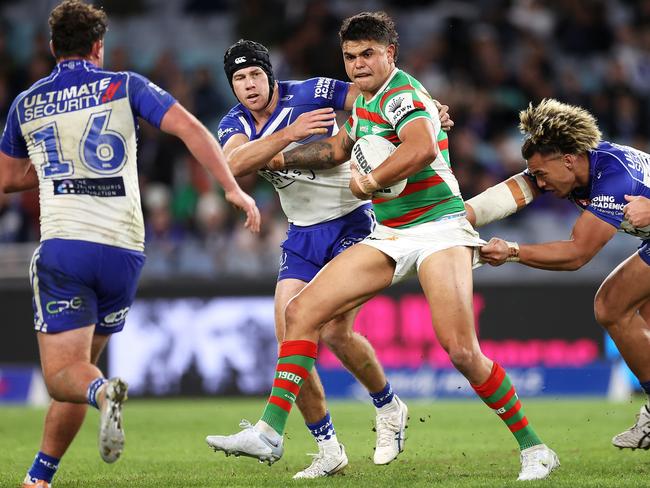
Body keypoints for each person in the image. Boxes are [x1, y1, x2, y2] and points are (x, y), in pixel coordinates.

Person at [205, 12, 558, 481]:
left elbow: (422, 149)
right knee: (301, 313)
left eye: (367, 54)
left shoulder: (401, 94)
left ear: (389, 53)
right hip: (388, 235)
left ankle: (535, 448)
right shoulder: (367, 103)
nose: (357, 64)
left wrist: (369, 180)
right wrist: (287, 151)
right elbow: (335, 150)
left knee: (460, 351)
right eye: (350, 57)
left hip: (437, 229)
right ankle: (271, 430)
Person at [0, 2, 260, 487]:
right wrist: (230, 187)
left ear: (53, 48)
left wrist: (56, 160)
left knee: (66, 377)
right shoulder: (125, 85)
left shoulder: (26, 104)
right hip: (124, 252)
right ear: (99, 46)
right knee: (81, 369)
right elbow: (189, 128)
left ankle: (102, 394)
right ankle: (40, 477)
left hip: (67, 247)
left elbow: (8, 179)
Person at [207, 39, 450, 478]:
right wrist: (290, 134)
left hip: (352, 220)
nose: (249, 85)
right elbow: (235, 163)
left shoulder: (313, 91)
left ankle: (388, 406)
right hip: (302, 234)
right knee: (291, 340)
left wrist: (427, 111)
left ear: (270, 74)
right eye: (239, 79)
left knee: (336, 331)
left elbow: (371, 94)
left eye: (255, 75)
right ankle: (328, 448)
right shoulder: (234, 122)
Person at [468, 98, 650, 451]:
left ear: (567, 160)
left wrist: (513, 252)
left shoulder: (612, 178)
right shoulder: (569, 169)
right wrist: (456, 217)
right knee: (624, 311)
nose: (539, 182)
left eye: (541, 174)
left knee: (612, 306)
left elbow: (577, 254)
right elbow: (512, 192)